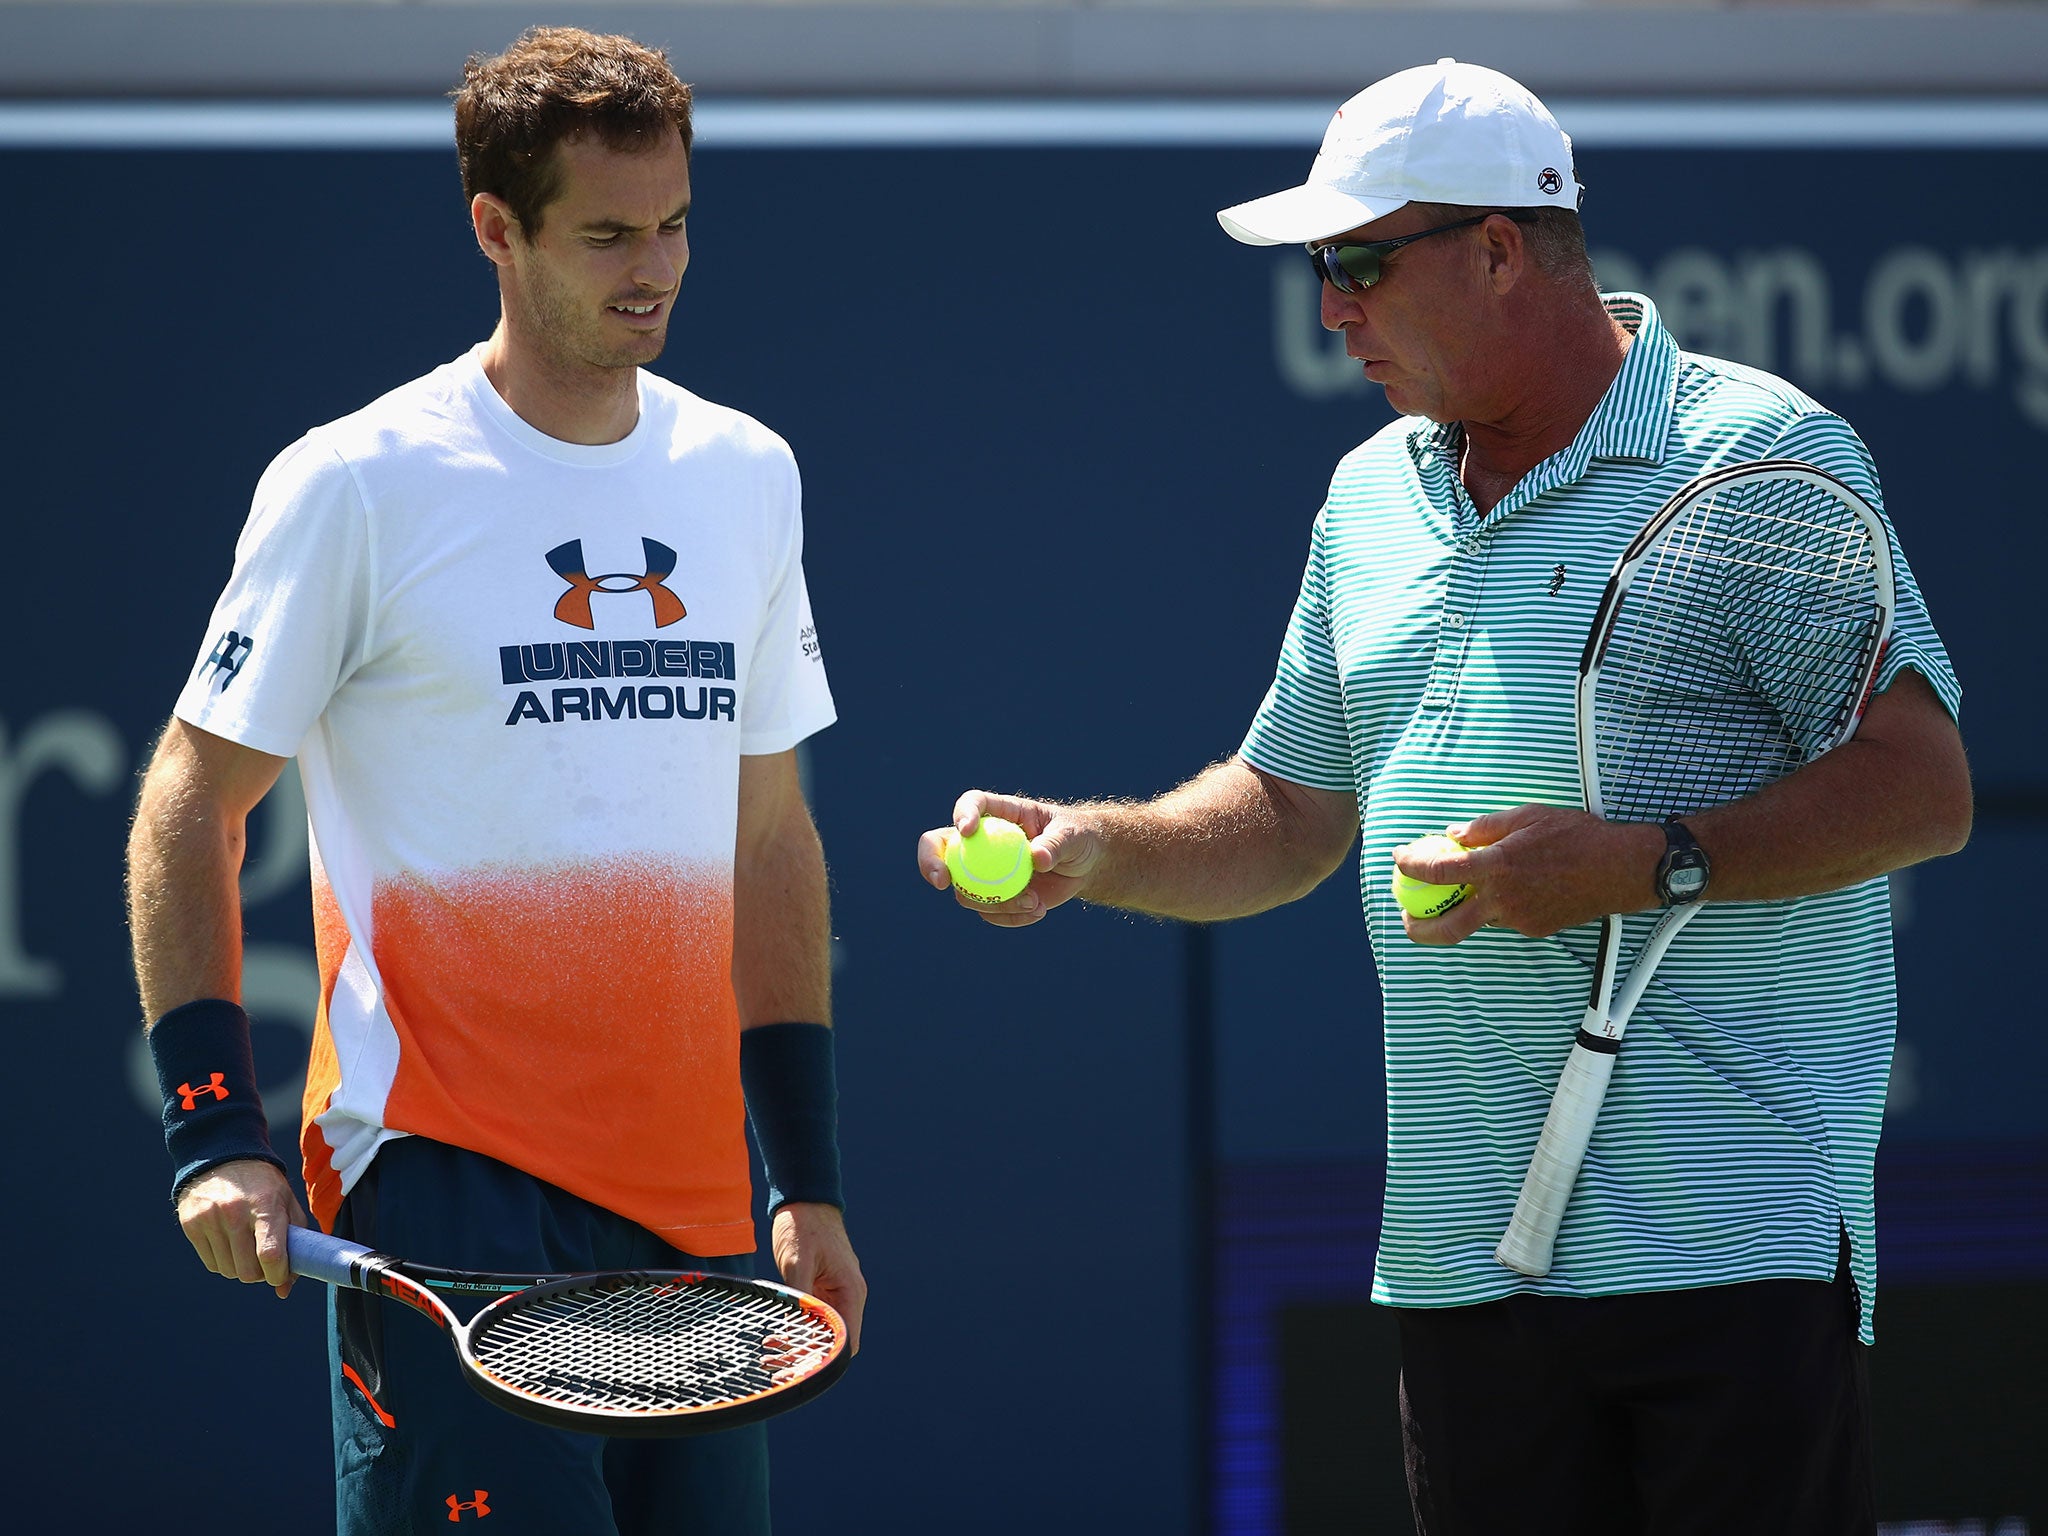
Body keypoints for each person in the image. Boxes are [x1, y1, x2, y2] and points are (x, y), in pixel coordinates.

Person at [919, 58, 1969, 1535]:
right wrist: (1097, 850)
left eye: (1360, 263)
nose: (1333, 307)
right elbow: (1286, 813)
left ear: (1496, 252)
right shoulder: (1368, 498)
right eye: (1320, 270)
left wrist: (1638, 864)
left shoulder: (1758, 456)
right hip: (1464, 1269)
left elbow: (1922, 790)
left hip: (1729, 1261)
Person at [126, 27, 864, 1534]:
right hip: (448, 1199)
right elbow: (188, 804)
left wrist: (805, 1178)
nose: (651, 267)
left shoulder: (747, 473)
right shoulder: (356, 483)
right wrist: (214, 1137)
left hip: (701, 1221)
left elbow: (770, 836)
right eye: (605, 234)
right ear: (495, 229)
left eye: (671, 225)